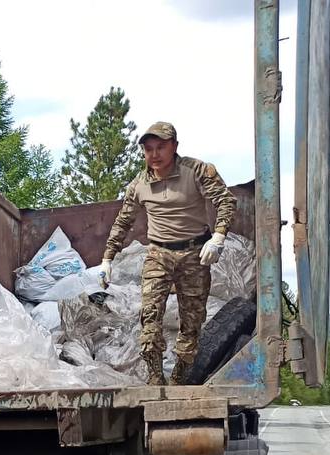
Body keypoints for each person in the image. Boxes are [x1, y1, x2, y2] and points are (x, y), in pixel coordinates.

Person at [98, 121, 237, 386]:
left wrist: (218, 236)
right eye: (148, 149)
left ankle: (179, 376)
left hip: (195, 253)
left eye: (160, 147)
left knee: (192, 320)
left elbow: (226, 200)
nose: (154, 154)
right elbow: (122, 222)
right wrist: (107, 259)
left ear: (174, 146)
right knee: (149, 314)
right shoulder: (139, 184)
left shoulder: (196, 171)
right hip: (158, 254)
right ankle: (154, 375)